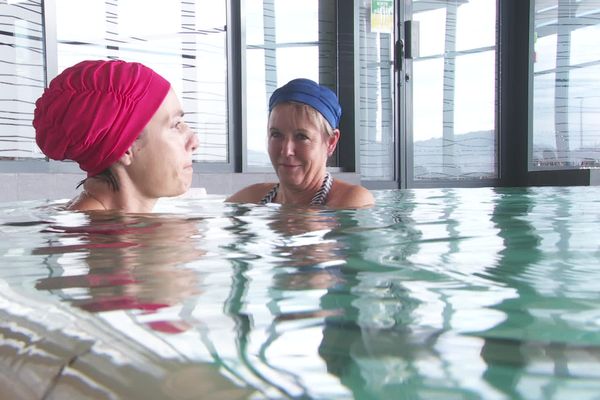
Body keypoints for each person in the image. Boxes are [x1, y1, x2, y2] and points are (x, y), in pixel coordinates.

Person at [33, 59, 199, 212]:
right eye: (175, 125)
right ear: (125, 149)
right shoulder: (99, 237)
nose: (194, 141)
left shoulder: (110, 229)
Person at [226, 78, 374, 208]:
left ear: (331, 142)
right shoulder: (251, 199)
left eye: (301, 136)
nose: (286, 150)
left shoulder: (352, 201)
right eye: (276, 135)